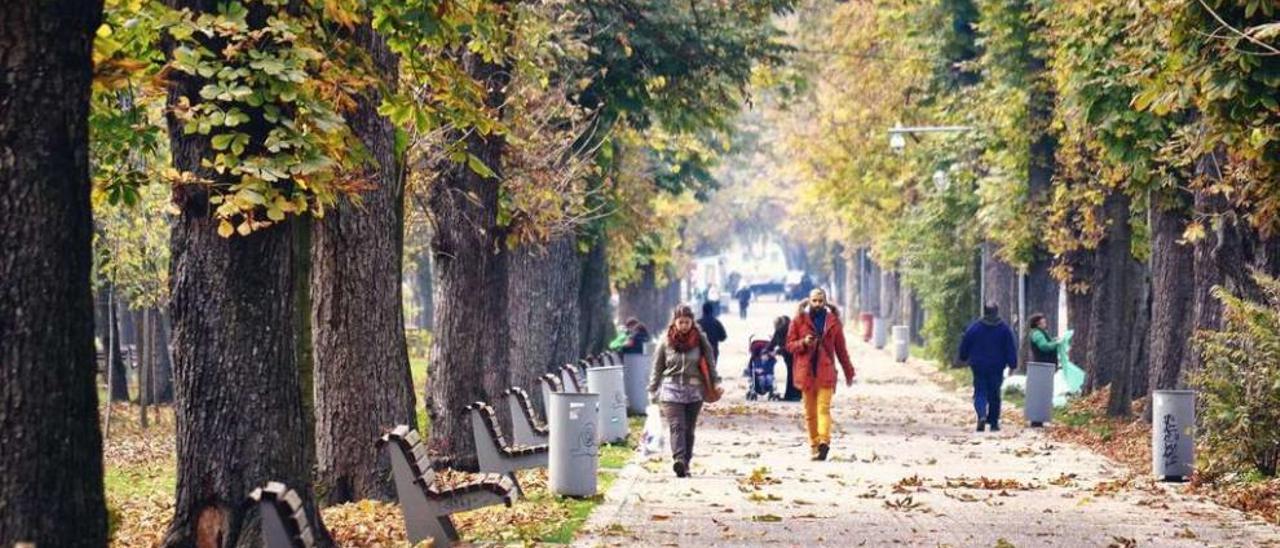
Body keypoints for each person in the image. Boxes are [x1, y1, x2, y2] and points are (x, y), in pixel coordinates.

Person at [648, 305, 722, 477]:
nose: (684, 326)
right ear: (674, 322)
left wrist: (716, 382)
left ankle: (686, 462)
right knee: (676, 426)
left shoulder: (700, 339)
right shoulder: (665, 340)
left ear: (692, 322)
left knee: (689, 429)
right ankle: (678, 459)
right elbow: (657, 366)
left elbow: (710, 363)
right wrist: (652, 388)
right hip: (670, 390)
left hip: (694, 390)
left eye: (687, 322)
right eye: (680, 322)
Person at [785, 288, 856, 461]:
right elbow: (789, 345)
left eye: (820, 301)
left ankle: (824, 442)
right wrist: (804, 343)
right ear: (809, 301)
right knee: (810, 413)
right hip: (806, 373)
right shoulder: (799, 320)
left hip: (826, 371)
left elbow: (841, 350)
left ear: (825, 302)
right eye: (814, 301)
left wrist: (849, 372)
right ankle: (814, 445)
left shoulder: (833, 322)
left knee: (823, 409)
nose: (817, 304)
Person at [958, 303, 1019, 432]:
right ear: (997, 312)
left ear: (984, 311)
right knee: (994, 393)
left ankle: (981, 415)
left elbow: (965, 343)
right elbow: (1010, 347)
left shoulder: (975, 328)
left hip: (978, 365)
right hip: (997, 366)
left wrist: (963, 356)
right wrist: (1012, 363)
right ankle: (994, 422)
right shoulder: (1004, 329)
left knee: (980, 391)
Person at [769, 315, 802, 401]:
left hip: (795, 355)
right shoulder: (778, 331)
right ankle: (791, 395)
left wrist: (777, 351)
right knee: (791, 375)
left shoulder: (791, 331)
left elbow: (788, 345)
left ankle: (794, 395)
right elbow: (772, 343)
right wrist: (765, 351)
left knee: (793, 375)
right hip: (787, 356)